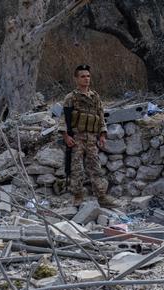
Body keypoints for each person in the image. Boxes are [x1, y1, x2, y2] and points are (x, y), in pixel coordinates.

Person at [61, 64, 120, 207]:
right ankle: (77, 196)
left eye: (88, 76)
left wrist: (102, 134)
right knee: (76, 169)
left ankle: (102, 197)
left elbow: (100, 116)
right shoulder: (71, 98)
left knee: (95, 168)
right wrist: (66, 136)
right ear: (76, 79)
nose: (86, 79)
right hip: (77, 138)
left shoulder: (95, 97)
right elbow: (63, 119)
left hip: (92, 138)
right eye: (82, 76)